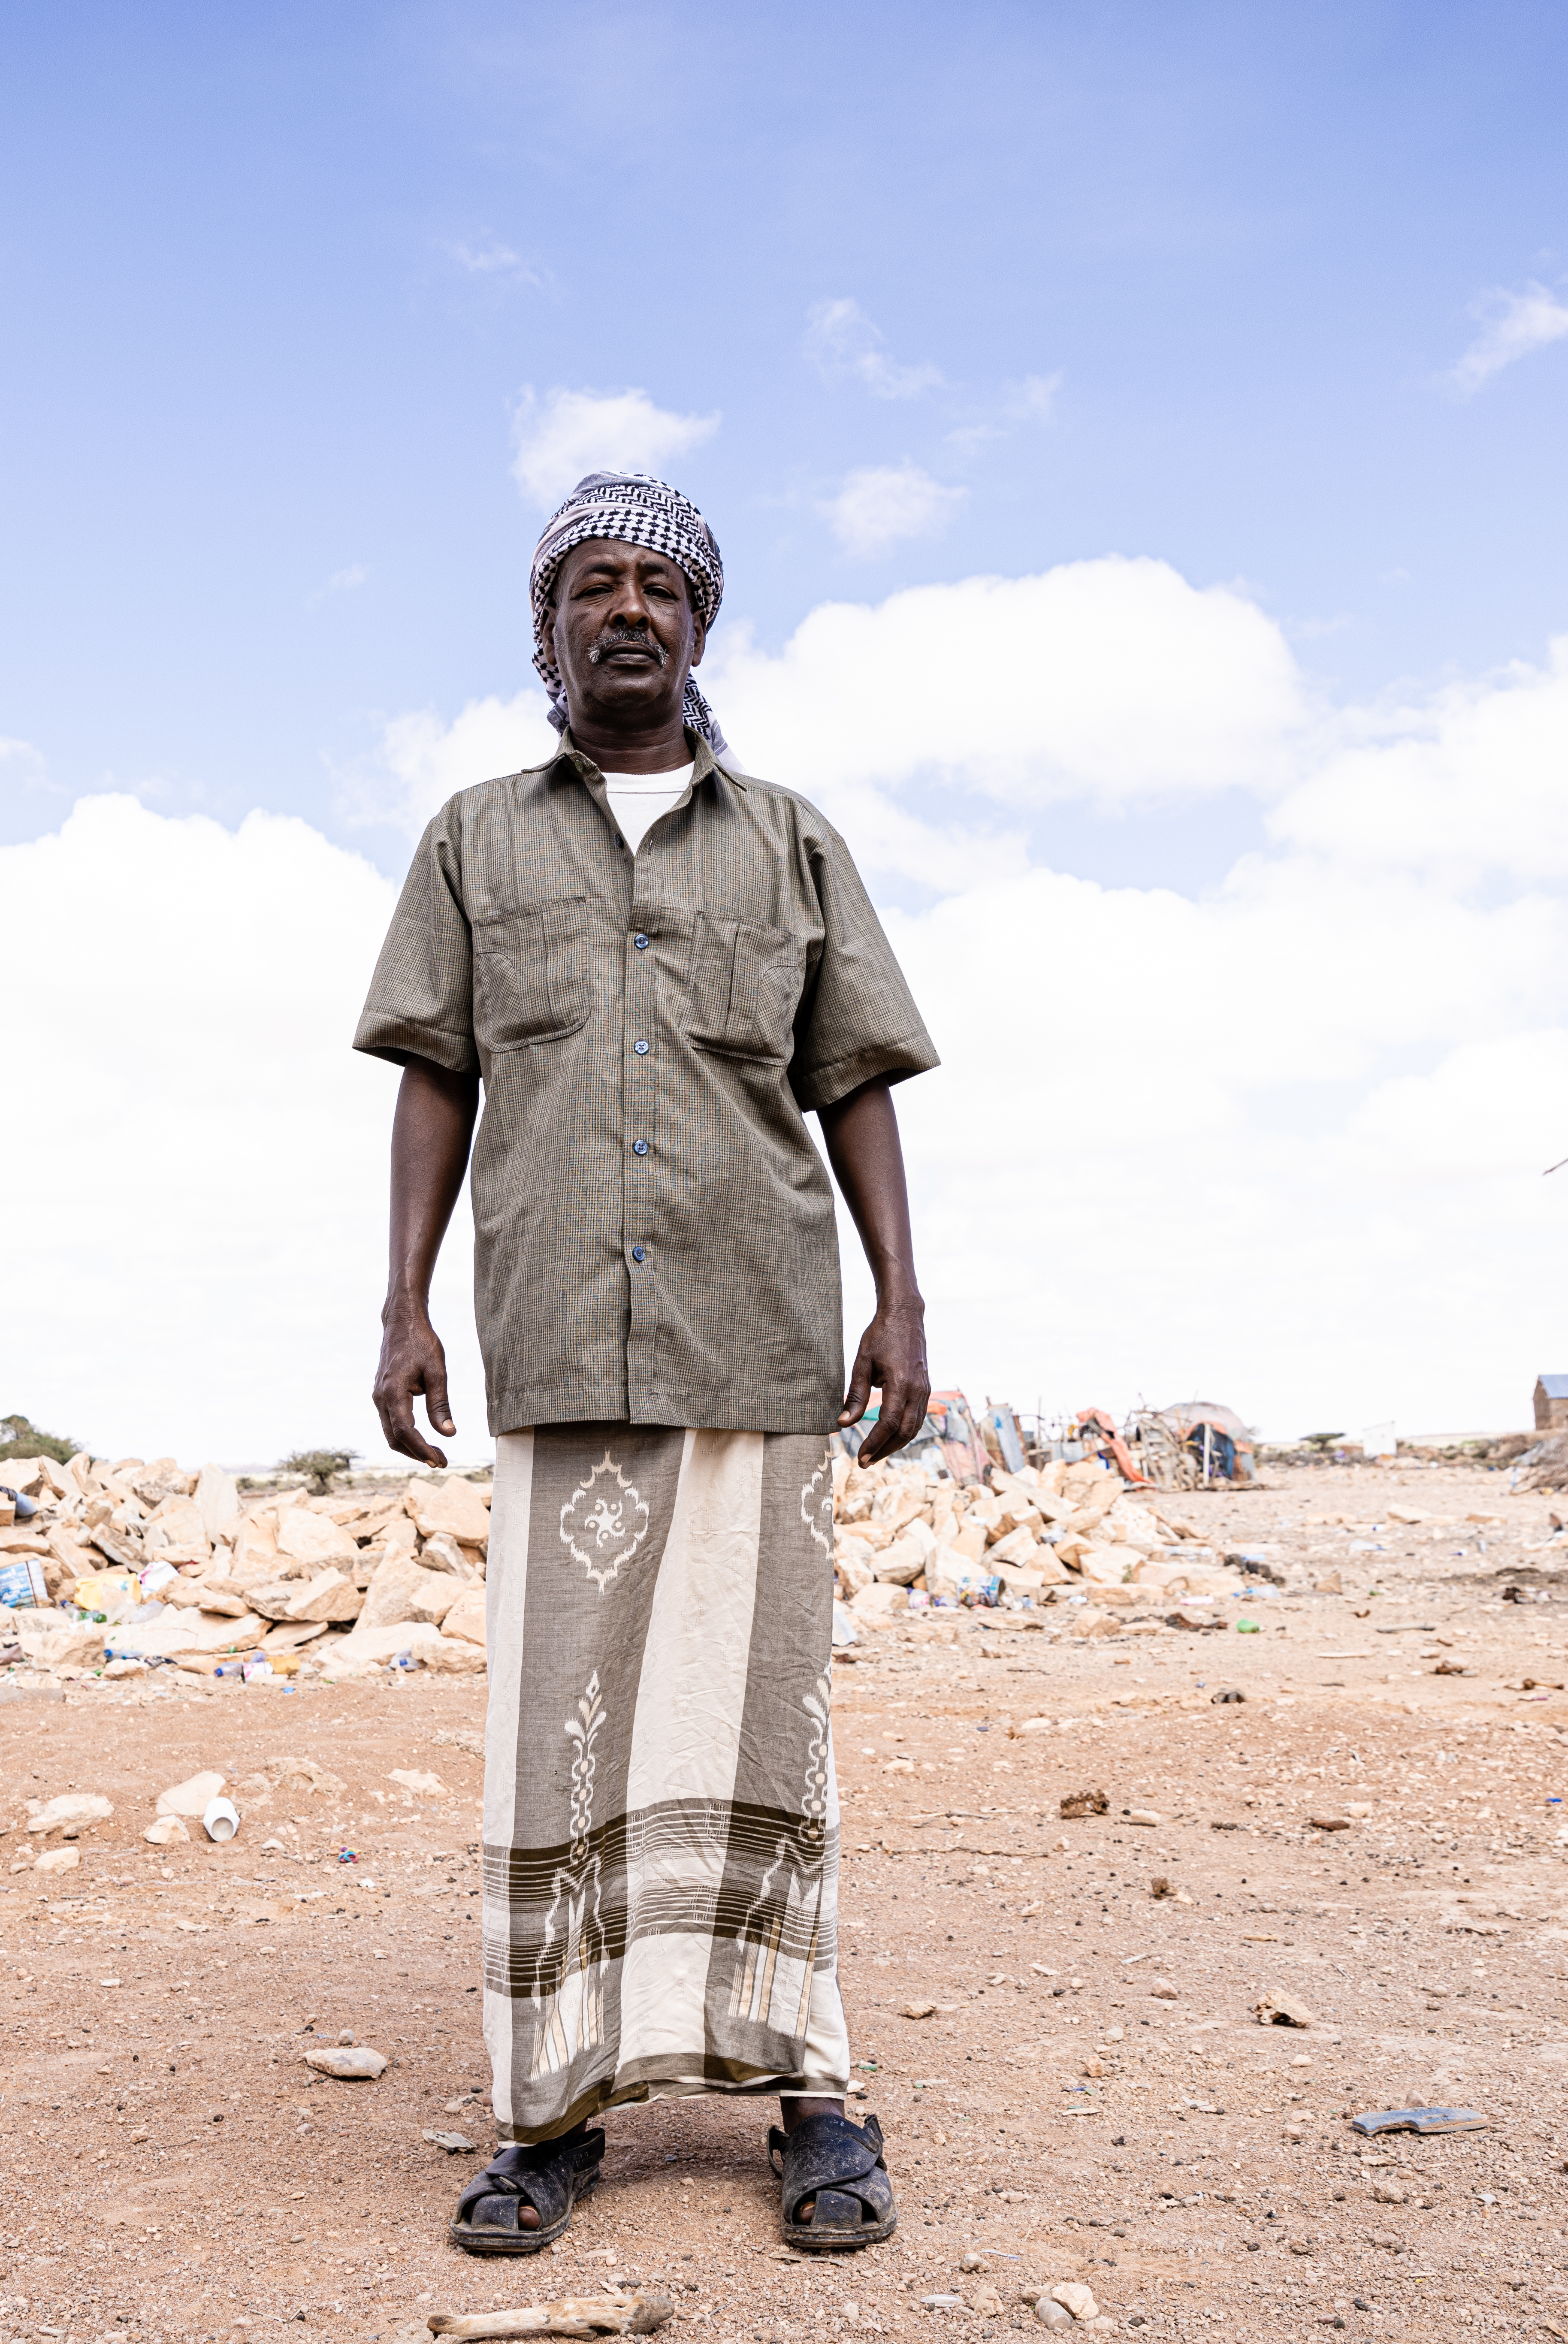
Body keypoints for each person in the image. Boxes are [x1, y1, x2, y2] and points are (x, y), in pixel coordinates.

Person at [353, 470, 940, 2257]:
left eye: (658, 590)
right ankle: (553, 2104)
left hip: (756, 1329)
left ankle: (810, 2093)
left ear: (699, 628)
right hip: (550, 1340)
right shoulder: (473, 837)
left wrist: (901, 1297)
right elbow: (434, 1074)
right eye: (590, 587)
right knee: (562, 1732)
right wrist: (400, 1300)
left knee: (769, 1716)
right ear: (542, 633)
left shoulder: (790, 838)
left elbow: (848, 1077)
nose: (626, 612)